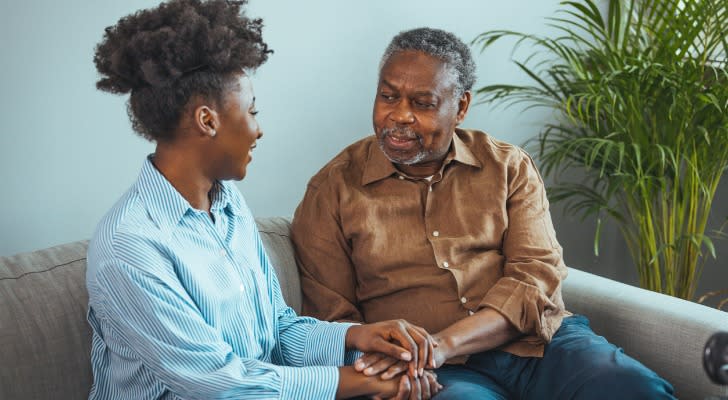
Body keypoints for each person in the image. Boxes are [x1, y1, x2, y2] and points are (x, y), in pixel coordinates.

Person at [291, 27, 676, 399]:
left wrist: (445, 342)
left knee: (635, 388)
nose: (400, 116)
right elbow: (332, 321)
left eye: (422, 103)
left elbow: (535, 277)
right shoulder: (333, 189)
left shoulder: (508, 167)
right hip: (432, 371)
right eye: (388, 97)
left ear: (460, 107)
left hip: (538, 346)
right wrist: (394, 366)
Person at [85, 2, 442, 399]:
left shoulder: (228, 204)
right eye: (252, 111)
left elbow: (278, 330)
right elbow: (223, 385)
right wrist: (368, 381)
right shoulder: (130, 248)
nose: (258, 130)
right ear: (208, 120)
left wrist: (358, 337)